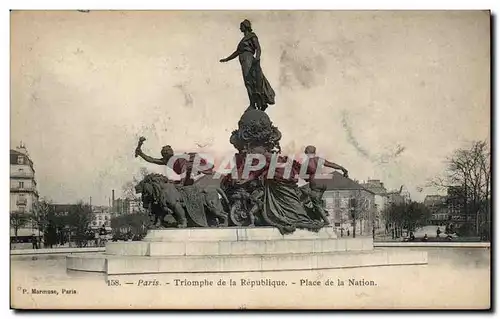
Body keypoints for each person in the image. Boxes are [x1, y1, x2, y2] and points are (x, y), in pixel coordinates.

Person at [135, 139, 215, 228]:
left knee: (183, 190)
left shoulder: (177, 159)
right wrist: (141, 153)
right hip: (186, 177)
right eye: (165, 154)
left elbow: (184, 169)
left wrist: (181, 183)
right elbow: (152, 160)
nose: (165, 156)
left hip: (190, 175)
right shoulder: (167, 161)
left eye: (166, 153)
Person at [220, 19, 275, 111]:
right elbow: (237, 52)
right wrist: (226, 59)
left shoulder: (252, 36)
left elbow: (258, 48)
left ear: (245, 26)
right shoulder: (243, 41)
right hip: (243, 61)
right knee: (247, 82)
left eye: (241, 26)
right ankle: (252, 103)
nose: (239, 28)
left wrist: (257, 58)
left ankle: (255, 103)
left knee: (250, 80)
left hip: (248, 59)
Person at [300, 145, 349, 225]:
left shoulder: (306, 163)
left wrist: (309, 177)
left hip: (315, 184)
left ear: (306, 153)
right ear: (314, 152)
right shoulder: (319, 159)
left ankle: (326, 221)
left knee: (315, 203)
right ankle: (318, 218)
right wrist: (342, 168)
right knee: (315, 201)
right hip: (323, 184)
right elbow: (331, 164)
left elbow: (303, 176)